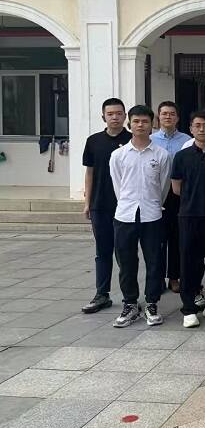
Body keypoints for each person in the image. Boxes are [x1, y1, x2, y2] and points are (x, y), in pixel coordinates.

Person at [109, 105, 171, 328]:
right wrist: (127, 203)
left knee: (154, 262)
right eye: (136, 121)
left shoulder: (162, 155)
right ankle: (130, 304)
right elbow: (118, 185)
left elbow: (163, 187)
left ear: (152, 124)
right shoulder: (118, 155)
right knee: (126, 262)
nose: (140, 125)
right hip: (125, 215)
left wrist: (153, 204)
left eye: (145, 121)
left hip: (152, 215)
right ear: (129, 124)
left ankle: (152, 303)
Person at [171, 110, 205, 329]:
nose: (202, 129)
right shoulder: (181, 156)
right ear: (191, 129)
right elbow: (176, 188)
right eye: (197, 125)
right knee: (189, 264)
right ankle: (189, 308)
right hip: (189, 216)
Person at [81, 98, 131, 314]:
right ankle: (102, 294)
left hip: (125, 206)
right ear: (103, 117)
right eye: (110, 114)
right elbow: (89, 173)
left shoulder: (132, 140)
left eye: (119, 113)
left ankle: (130, 296)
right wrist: (87, 203)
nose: (115, 117)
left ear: (125, 116)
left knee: (125, 252)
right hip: (100, 205)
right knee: (102, 251)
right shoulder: (93, 141)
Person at [151, 100, 190, 294]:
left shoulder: (187, 140)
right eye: (164, 113)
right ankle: (158, 278)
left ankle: (174, 277)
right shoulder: (150, 139)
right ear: (159, 117)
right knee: (157, 239)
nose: (168, 116)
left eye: (172, 113)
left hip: (178, 194)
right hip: (156, 194)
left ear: (178, 118)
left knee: (176, 237)